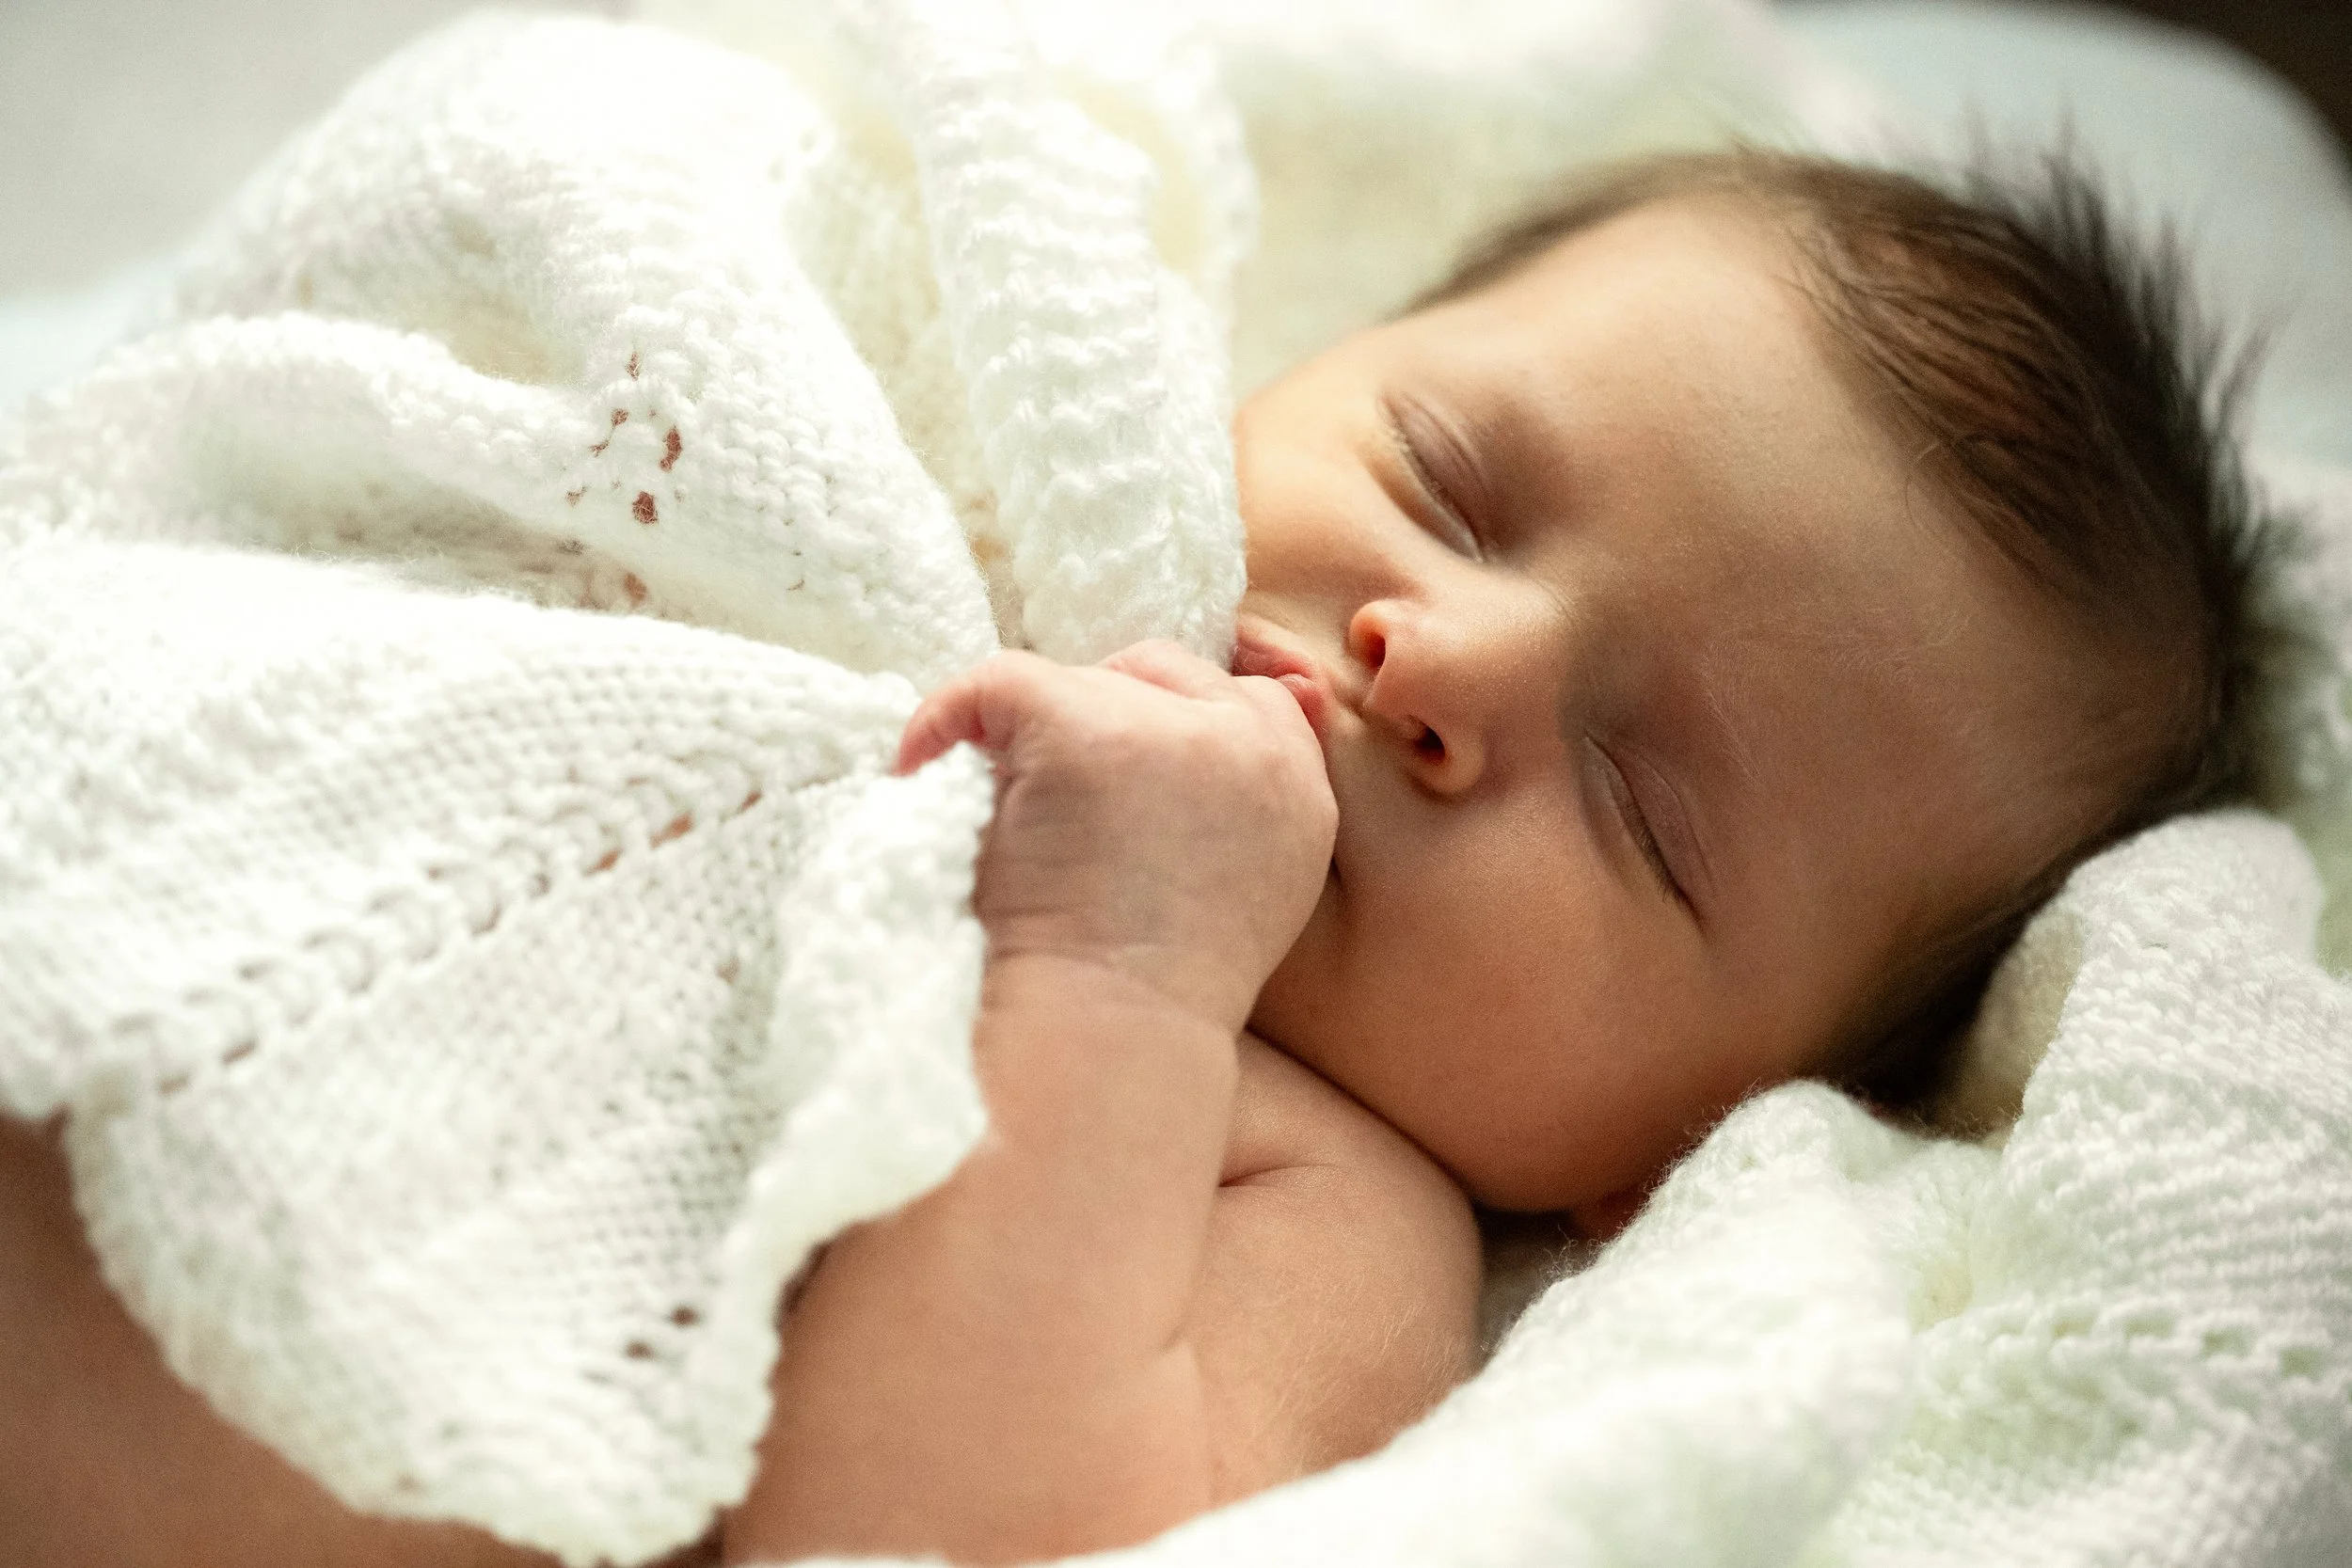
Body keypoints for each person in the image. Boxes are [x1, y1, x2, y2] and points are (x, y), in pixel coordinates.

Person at [0, 149, 2280, 1568]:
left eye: (1642, 812)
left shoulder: (1324, 1204)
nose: (1435, 653)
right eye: (1452, 477)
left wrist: (1113, 973)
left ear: (1663, 1150)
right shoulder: (918, 495)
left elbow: (929, 1536)